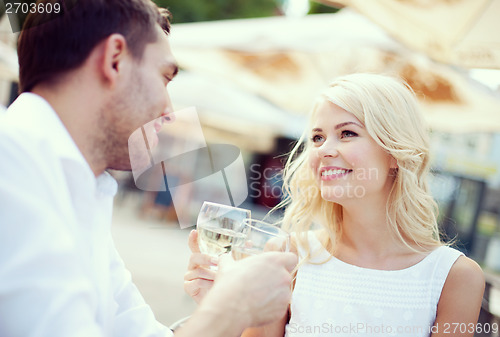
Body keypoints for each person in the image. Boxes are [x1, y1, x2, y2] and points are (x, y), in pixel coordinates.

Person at [0, 1, 297, 337]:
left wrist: (223, 307)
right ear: (114, 60)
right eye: (164, 77)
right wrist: (233, 306)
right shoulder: (10, 162)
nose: (170, 110)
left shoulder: (81, 187)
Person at [184, 73, 485, 336]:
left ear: (395, 153)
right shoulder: (288, 257)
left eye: (347, 133)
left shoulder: (454, 278)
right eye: (317, 137)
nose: (324, 150)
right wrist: (222, 309)